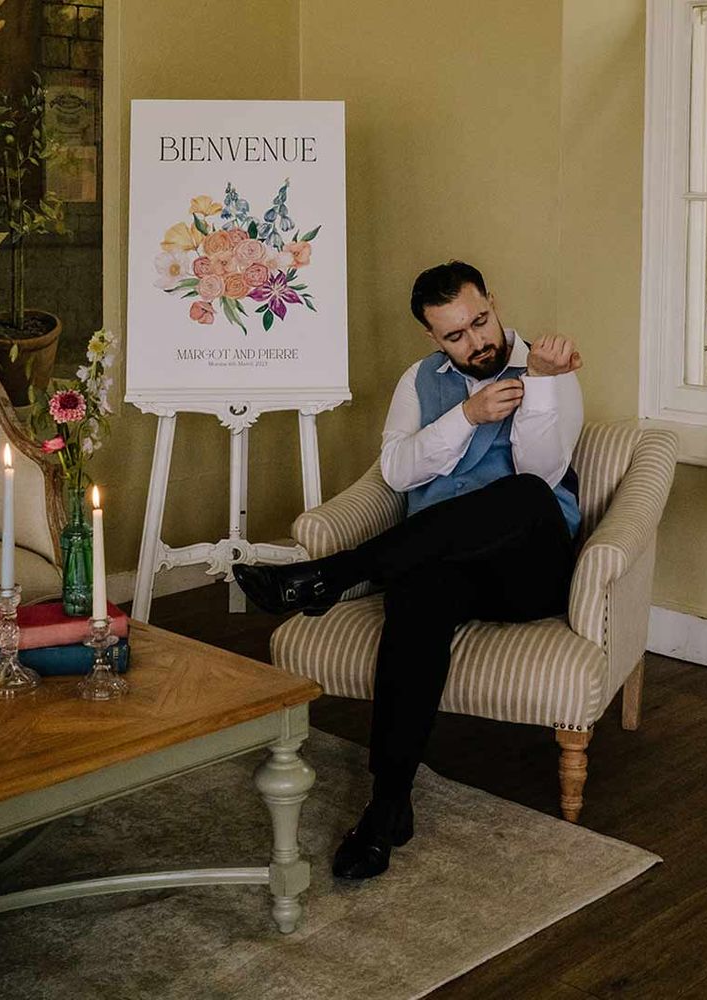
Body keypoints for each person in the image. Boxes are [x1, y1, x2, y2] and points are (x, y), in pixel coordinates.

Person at [234, 261, 584, 879]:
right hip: (448, 563)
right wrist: (466, 416)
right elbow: (395, 473)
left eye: (481, 321)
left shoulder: (547, 367)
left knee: (526, 492)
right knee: (418, 595)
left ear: (493, 302)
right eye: (456, 335)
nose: (477, 342)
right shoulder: (419, 382)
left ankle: (329, 574)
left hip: (530, 569)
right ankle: (387, 806)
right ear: (432, 336)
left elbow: (544, 469)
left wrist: (541, 385)